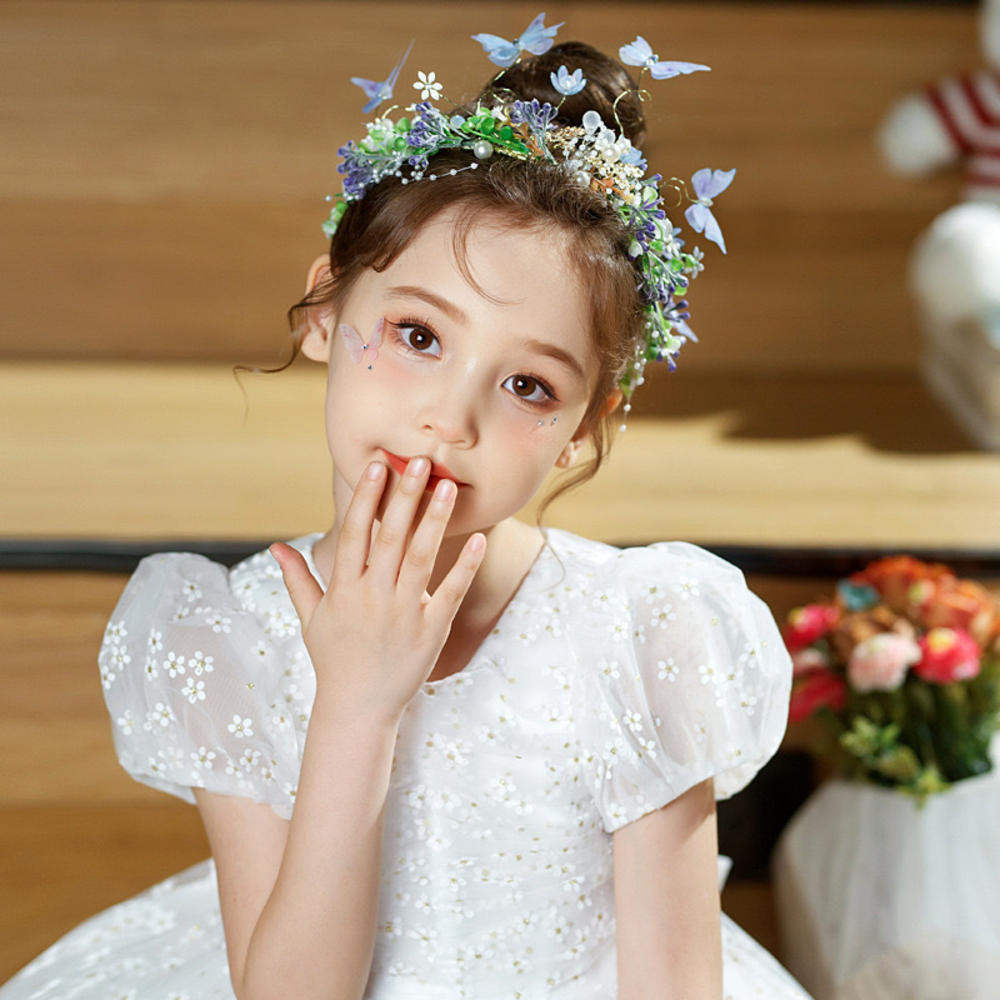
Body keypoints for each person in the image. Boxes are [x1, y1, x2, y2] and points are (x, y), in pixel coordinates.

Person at [1, 17, 812, 1000]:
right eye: (419, 335)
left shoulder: (640, 631)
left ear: (583, 428)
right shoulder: (228, 636)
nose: (448, 421)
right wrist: (356, 702)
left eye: (528, 386)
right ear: (325, 310)